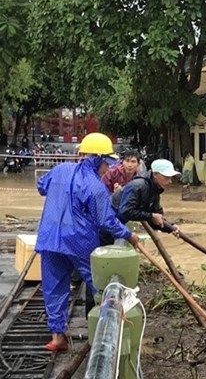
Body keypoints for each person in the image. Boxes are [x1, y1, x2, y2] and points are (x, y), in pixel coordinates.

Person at [35, 132, 139, 353]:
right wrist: (129, 235)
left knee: (53, 287)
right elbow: (106, 221)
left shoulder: (60, 170)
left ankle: (57, 337)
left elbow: (41, 186)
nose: (108, 169)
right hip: (79, 242)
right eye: (106, 164)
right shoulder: (96, 186)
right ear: (97, 159)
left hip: (50, 238)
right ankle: (106, 332)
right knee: (98, 284)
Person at [115, 159, 182, 238]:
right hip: (109, 221)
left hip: (117, 224)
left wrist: (171, 227)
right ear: (155, 174)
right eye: (166, 177)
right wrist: (151, 216)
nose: (170, 181)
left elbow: (156, 218)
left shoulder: (155, 190)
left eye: (170, 178)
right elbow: (125, 211)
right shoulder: (138, 186)